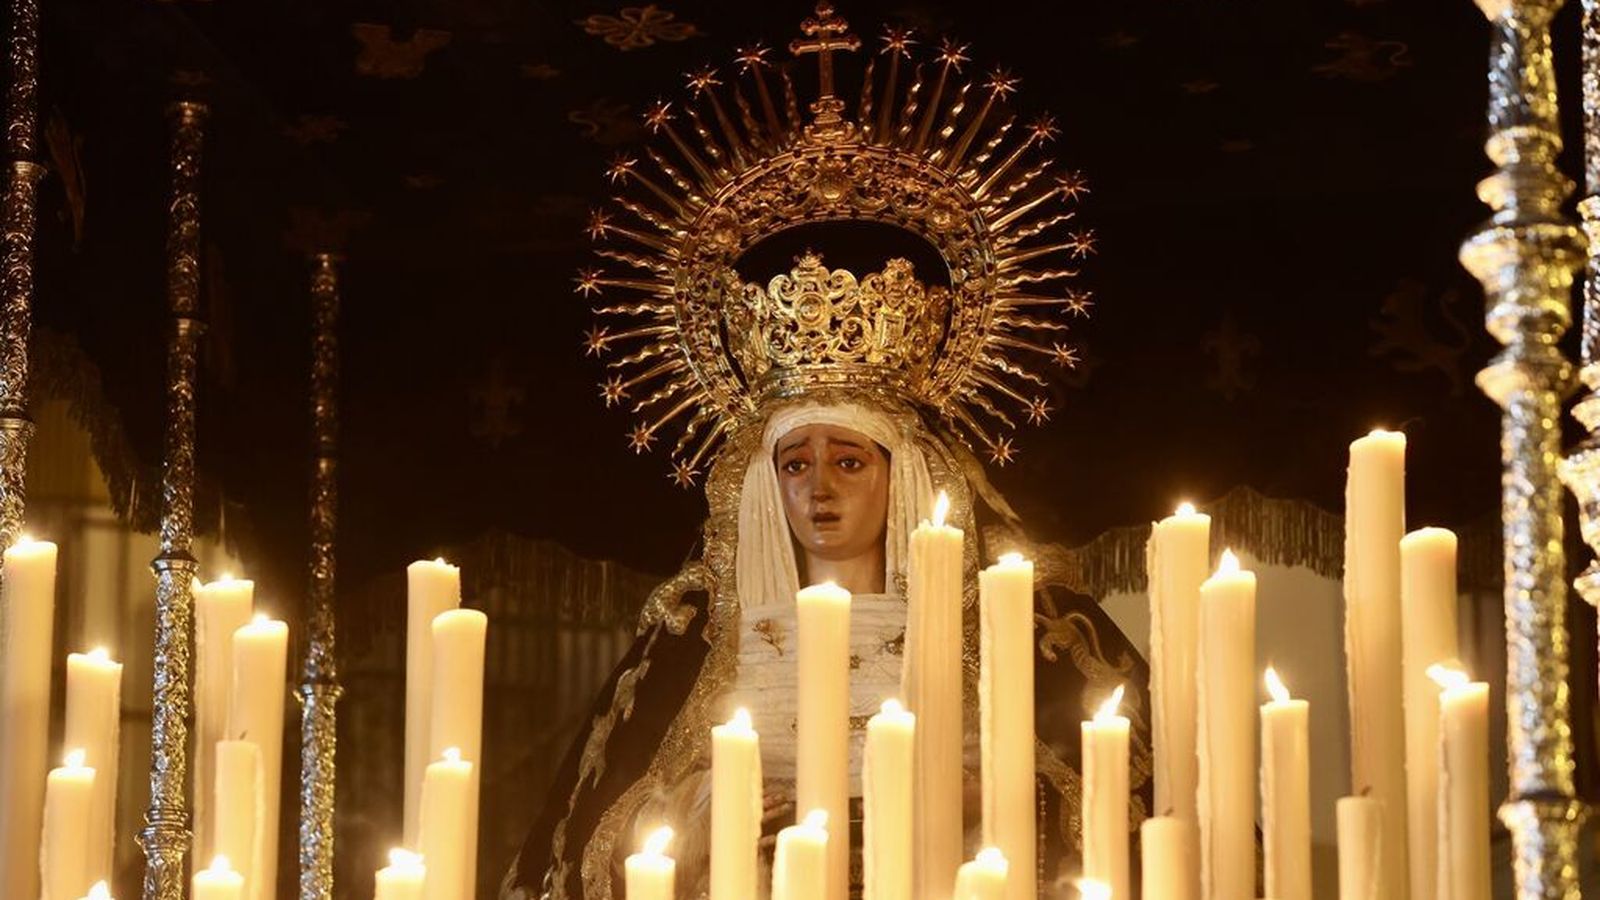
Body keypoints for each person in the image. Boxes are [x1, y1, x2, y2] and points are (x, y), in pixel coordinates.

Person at [504, 6, 1151, 897]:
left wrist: (977, 795)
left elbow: (1116, 800)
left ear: (906, 472)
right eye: (794, 464)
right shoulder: (707, 634)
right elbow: (604, 835)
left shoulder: (1003, 625)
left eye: (849, 460)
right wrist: (707, 809)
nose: (819, 490)